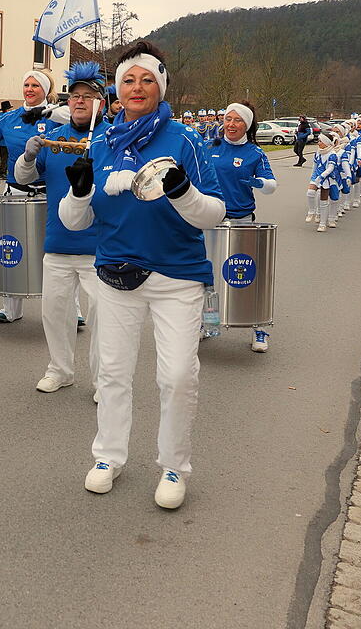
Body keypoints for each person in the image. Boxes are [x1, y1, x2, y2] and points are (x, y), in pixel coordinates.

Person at [59, 40, 226, 510]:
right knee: (112, 373)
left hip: (177, 278)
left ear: (161, 87)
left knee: (176, 376)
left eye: (147, 79)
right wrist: (77, 193)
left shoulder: (185, 140)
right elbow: (77, 222)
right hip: (115, 276)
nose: (137, 87)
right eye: (129, 79)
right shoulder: (101, 140)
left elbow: (213, 213)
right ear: (117, 90)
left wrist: (183, 192)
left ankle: (174, 465)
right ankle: (109, 456)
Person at [14, 62, 108, 395]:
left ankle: (102, 380)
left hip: (100, 249)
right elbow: (24, 178)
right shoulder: (54, 138)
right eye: (75, 96)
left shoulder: (112, 137)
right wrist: (27, 157)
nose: (80, 101)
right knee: (54, 315)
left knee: (102, 321)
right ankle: (61, 370)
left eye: (88, 96)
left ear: (101, 102)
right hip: (57, 245)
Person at [0, 71, 66, 322]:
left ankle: (72, 310)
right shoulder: (9, 118)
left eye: (35, 85)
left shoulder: (57, 115)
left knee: (59, 252)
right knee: (13, 248)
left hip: (50, 192)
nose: (29, 89)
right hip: (17, 191)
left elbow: (78, 122)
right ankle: (11, 308)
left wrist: (48, 112)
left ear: (45, 89)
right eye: (26, 85)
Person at [207, 101, 276, 352]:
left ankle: (259, 329)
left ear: (247, 124)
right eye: (228, 119)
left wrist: (257, 182)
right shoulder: (210, 147)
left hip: (242, 221)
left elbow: (271, 185)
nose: (231, 124)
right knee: (208, 276)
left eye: (237, 120)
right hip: (211, 220)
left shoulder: (254, 153)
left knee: (246, 276)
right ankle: (207, 324)